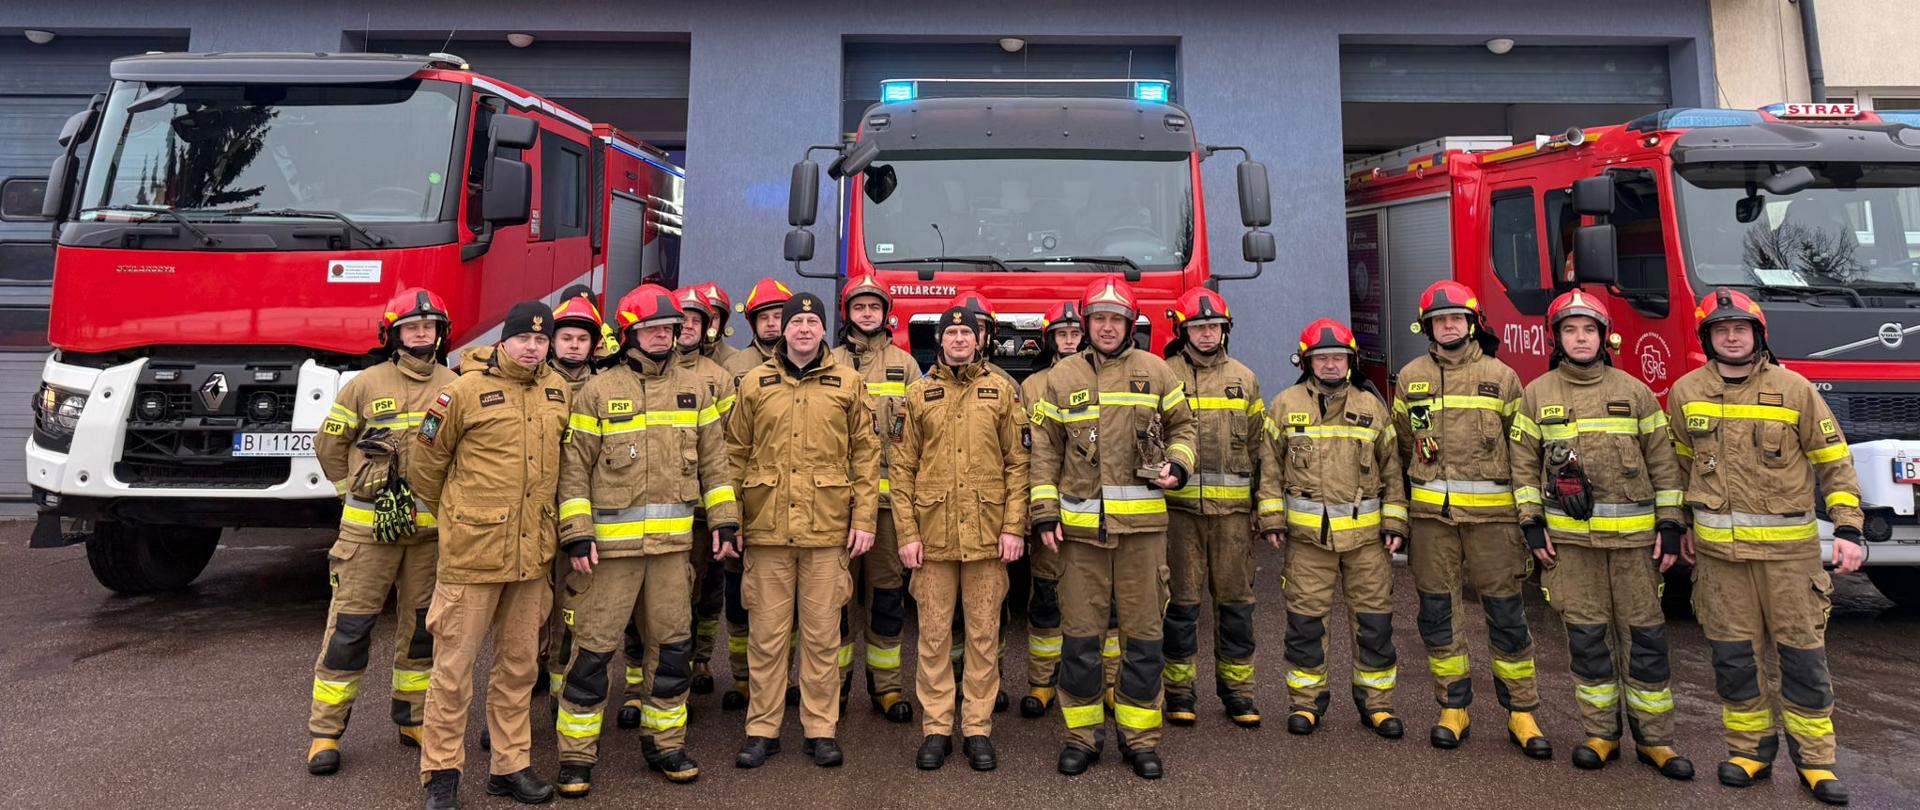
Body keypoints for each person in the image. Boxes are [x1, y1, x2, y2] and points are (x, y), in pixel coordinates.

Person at [1669, 288, 1864, 805]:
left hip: (1788, 560)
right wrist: (1680, 522)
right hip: (1718, 561)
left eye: (1741, 329)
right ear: (1707, 338)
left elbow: (1833, 461)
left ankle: (1817, 763)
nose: (1732, 337)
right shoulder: (1686, 392)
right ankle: (1749, 751)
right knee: (1734, 658)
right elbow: (1679, 466)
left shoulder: (1794, 388)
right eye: (1720, 330)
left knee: (1802, 659)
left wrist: (1848, 526)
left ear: (1758, 336)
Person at [550, 285, 738, 795]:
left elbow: (716, 465)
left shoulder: (696, 390)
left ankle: (666, 744)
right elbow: (573, 471)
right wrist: (577, 533)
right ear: (630, 332)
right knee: (591, 653)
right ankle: (576, 756)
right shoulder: (597, 390)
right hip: (608, 556)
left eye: (670, 329)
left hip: (672, 552)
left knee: (673, 651)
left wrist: (723, 521)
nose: (663, 336)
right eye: (653, 329)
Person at [1509, 290, 1694, 779]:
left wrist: (1671, 525)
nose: (1580, 338)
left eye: (1588, 330)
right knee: (1588, 640)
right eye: (1570, 330)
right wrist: (1531, 523)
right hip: (1572, 548)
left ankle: (1657, 741)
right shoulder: (1537, 394)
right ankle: (1600, 734)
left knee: (1646, 642)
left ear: (1604, 335)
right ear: (1557, 338)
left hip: (1636, 548)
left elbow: (1664, 464)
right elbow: (1522, 467)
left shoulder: (1634, 392)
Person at [1029, 275, 1196, 780]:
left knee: (1144, 640)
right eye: (1098, 319)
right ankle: (1081, 738)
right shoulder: (1062, 377)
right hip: (1080, 537)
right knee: (1080, 641)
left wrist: (1179, 467)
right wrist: (1044, 513)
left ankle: (1140, 739)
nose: (1106, 327)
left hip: (1143, 534)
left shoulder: (1157, 371)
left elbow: (1184, 429)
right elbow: (1045, 451)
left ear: (1130, 324)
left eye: (1115, 319)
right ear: (1086, 324)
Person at [410, 301, 572, 810]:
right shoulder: (462, 392)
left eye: (542, 340)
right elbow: (424, 466)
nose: (533, 347)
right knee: (453, 671)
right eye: (524, 338)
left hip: (531, 557)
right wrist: (463, 517)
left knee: (519, 669)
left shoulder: (557, 391)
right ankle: (441, 775)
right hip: (473, 557)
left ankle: (510, 766)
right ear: (504, 341)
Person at [1392, 280, 1550, 757]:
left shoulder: (1502, 378)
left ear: (1472, 323)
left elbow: (1523, 452)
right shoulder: (1410, 376)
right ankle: (1453, 706)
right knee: (1438, 615)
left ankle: (1522, 711)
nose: (1449, 326)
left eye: (1456, 319)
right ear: (1428, 327)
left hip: (1494, 524)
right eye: (1440, 321)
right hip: (1431, 522)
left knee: (1505, 615)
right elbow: (1402, 445)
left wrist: (1526, 516)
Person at [726, 291, 882, 769]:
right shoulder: (754, 382)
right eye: (796, 323)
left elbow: (866, 457)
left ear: (821, 331)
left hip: (826, 529)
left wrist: (864, 520)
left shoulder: (849, 383)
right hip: (767, 529)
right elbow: (733, 454)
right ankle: (762, 729)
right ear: (784, 330)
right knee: (767, 637)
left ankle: (820, 729)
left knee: (821, 638)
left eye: (813, 324)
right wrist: (730, 520)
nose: (804, 330)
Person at [305, 287, 457, 775]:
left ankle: (413, 718)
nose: (420, 335)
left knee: (421, 634)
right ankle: (325, 733)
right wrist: (354, 492)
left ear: (440, 333)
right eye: (411, 327)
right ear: (393, 334)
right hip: (367, 538)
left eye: (428, 327)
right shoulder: (365, 384)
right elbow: (329, 444)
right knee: (350, 630)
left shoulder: (454, 384)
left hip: (427, 538)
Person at [892, 297, 1030, 771]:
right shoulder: (917, 395)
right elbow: (901, 467)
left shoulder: (1002, 391)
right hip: (932, 539)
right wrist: (907, 534)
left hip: (989, 537)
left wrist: (1014, 527)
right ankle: (935, 729)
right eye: (951, 334)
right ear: (940, 342)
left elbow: (1019, 465)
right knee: (932, 637)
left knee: (983, 636)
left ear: (980, 340)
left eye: (966, 334)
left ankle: (976, 729)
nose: (958, 340)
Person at [1259, 318, 1407, 740]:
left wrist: (1396, 521)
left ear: (1350, 361)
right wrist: (1271, 518)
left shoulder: (1371, 406)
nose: (1329, 365)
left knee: (1374, 625)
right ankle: (1305, 705)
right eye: (1320, 358)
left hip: (1367, 543)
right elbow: (1268, 468)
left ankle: (1377, 706)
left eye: (1337, 358)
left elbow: (1393, 471)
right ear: (1306, 362)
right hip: (1308, 543)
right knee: (1306, 625)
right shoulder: (1285, 404)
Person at [1160, 287, 1265, 728]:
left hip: (1234, 520)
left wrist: (1263, 507)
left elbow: (1261, 449)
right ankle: (1179, 693)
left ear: (1226, 330)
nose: (1207, 334)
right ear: (1183, 331)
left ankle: (1238, 693)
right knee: (1181, 608)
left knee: (1236, 607)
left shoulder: (1245, 378)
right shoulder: (1164, 376)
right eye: (1198, 327)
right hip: (1179, 515)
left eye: (1214, 327)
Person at [831, 273, 922, 723]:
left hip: (888, 508)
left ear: (886, 314)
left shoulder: (905, 365)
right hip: (835, 505)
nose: (867, 314)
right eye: (859, 307)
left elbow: (919, 434)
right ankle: (836, 689)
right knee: (838, 602)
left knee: (887, 599)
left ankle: (886, 688)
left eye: (874, 308)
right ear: (847, 312)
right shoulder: (828, 362)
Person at [717, 277, 795, 710]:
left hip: (789, 506)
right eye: (764, 317)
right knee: (740, 597)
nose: (772, 325)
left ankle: (784, 676)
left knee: (790, 606)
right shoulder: (736, 367)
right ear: (752, 322)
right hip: (748, 499)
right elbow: (730, 446)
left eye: (778, 317)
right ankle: (744, 678)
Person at [542, 290, 605, 701]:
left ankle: (558, 693)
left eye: (582, 339)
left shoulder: (603, 388)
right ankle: (517, 689)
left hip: (579, 518)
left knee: (570, 607)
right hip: (533, 518)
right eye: (566, 338)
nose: (574, 345)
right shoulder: (535, 384)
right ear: (552, 341)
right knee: (525, 613)